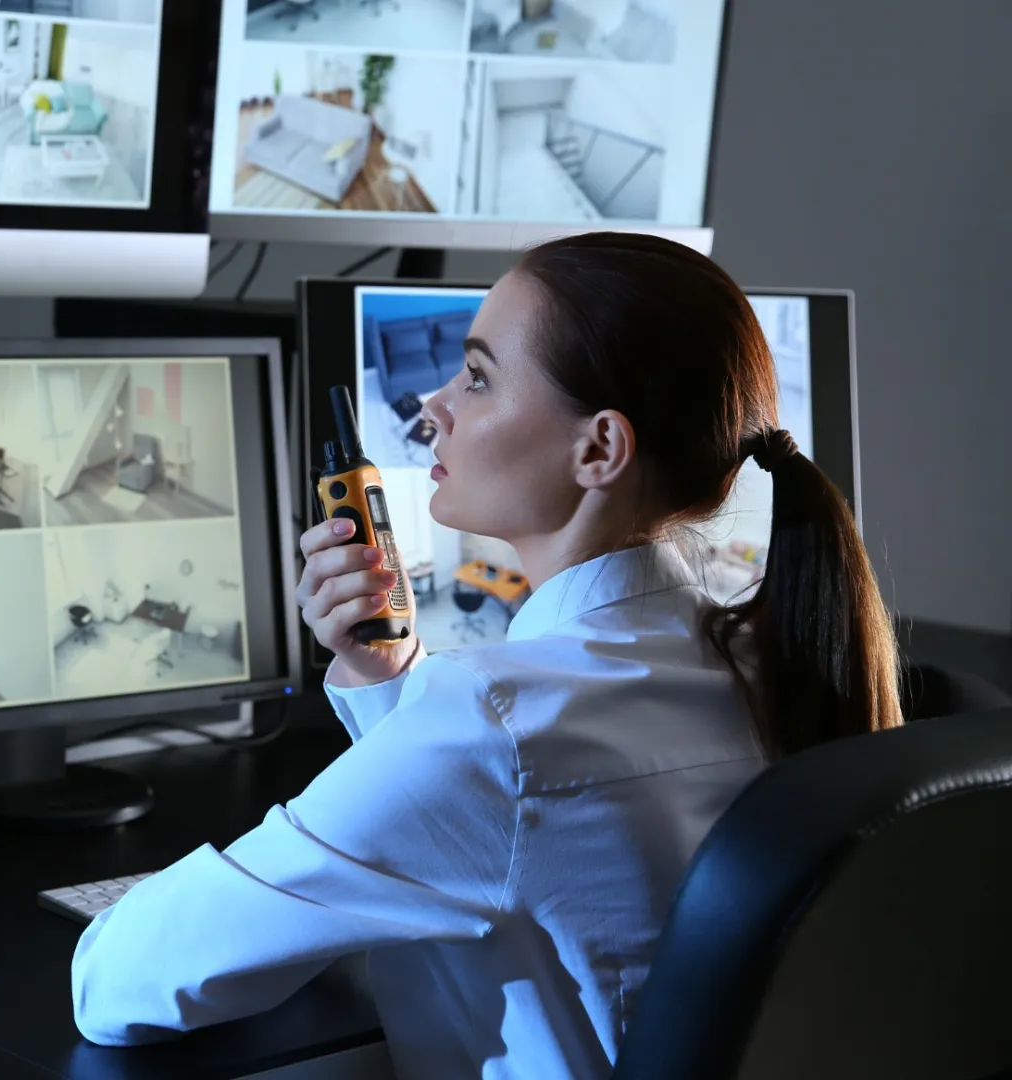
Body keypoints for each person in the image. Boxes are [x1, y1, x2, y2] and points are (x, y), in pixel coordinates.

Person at [68, 233, 901, 1079]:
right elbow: (506, 840)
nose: (433, 404)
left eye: (477, 377)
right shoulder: (761, 655)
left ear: (599, 451)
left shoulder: (495, 724)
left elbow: (122, 982)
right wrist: (384, 675)